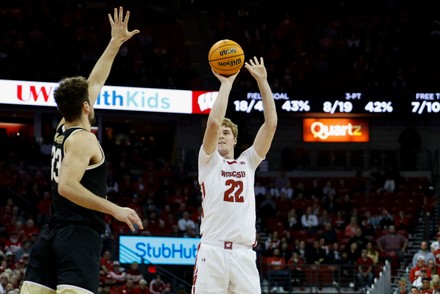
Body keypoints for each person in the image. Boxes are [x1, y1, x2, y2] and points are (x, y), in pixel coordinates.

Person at [21, 7, 143, 294]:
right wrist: (115, 209)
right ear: (86, 106)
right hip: (77, 237)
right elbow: (66, 186)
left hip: (52, 233)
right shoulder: (84, 139)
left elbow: (96, 80)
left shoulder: (64, 126)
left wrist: (115, 43)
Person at [191, 57, 277, 294]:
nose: (221, 135)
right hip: (213, 250)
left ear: (235, 140)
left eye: (226, 133)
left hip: (243, 253)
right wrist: (226, 83)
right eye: (219, 132)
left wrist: (263, 81)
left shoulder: (248, 161)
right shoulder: (207, 161)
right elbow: (213, 122)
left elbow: (270, 125)